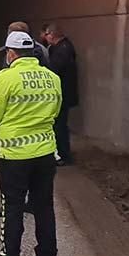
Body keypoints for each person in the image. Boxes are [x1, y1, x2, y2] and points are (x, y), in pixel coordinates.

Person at [0, 31, 62, 256]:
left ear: (11, 53)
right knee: (44, 205)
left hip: (15, 156)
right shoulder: (52, 78)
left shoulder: (4, 78)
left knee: (13, 206)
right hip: (46, 152)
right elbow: (55, 111)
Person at [0, 21, 48, 217]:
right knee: (37, 173)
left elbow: (0, 95)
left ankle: (8, 206)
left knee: (11, 175)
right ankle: (33, 203)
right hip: (41, 128)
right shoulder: (42, 53)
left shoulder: (11, 61)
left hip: (15, 131)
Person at [42, 22, 79, 166]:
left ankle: (64, 156)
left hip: (63, 94)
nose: (45, 37)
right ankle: (61, 154)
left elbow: (53, 69)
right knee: (59, 125)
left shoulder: (63, 50)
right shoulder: (61, 47)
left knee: (60, 126)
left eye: (46, 34)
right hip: (63, 93)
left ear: (51, 35)